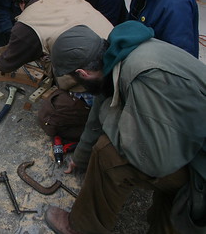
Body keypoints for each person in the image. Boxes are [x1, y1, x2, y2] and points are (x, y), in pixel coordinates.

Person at [44, 22, 206, 234]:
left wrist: (113, 120)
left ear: (82, 73)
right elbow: (100, 105)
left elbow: (156, 161)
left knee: (108, 153)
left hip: (199, 166)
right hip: (190, 141)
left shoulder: (143, 76)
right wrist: (81, 158)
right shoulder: (117, 56)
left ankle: (81, 228)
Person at [0, 0, 113, 92]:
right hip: (118, 52)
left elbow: (6, 64)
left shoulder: (29, 21)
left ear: (22, 0)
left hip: (96, 76)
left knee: (55, 105)